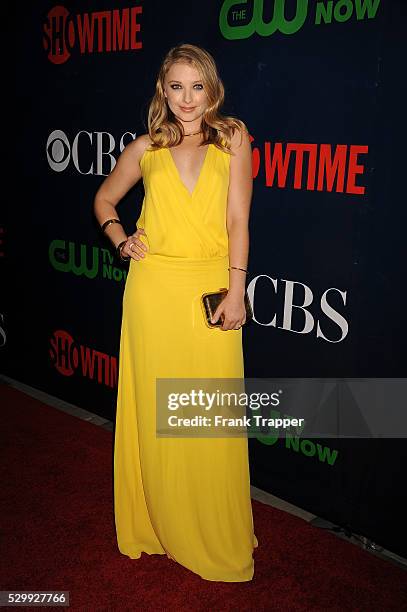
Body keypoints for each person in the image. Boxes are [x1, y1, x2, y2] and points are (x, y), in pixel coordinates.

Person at [93, 43, 258, 582]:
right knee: (158, 416)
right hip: (153, 292)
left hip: (210, 289)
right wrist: (121, 240)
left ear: (211, 90)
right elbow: (104, 201)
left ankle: (210, 527)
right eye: (176, 87)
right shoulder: (145, 148)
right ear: (162, 91)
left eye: (197, 87)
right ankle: (157, 522)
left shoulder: (234, 138)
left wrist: (236, 292)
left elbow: (238, 221)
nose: (186, 99)